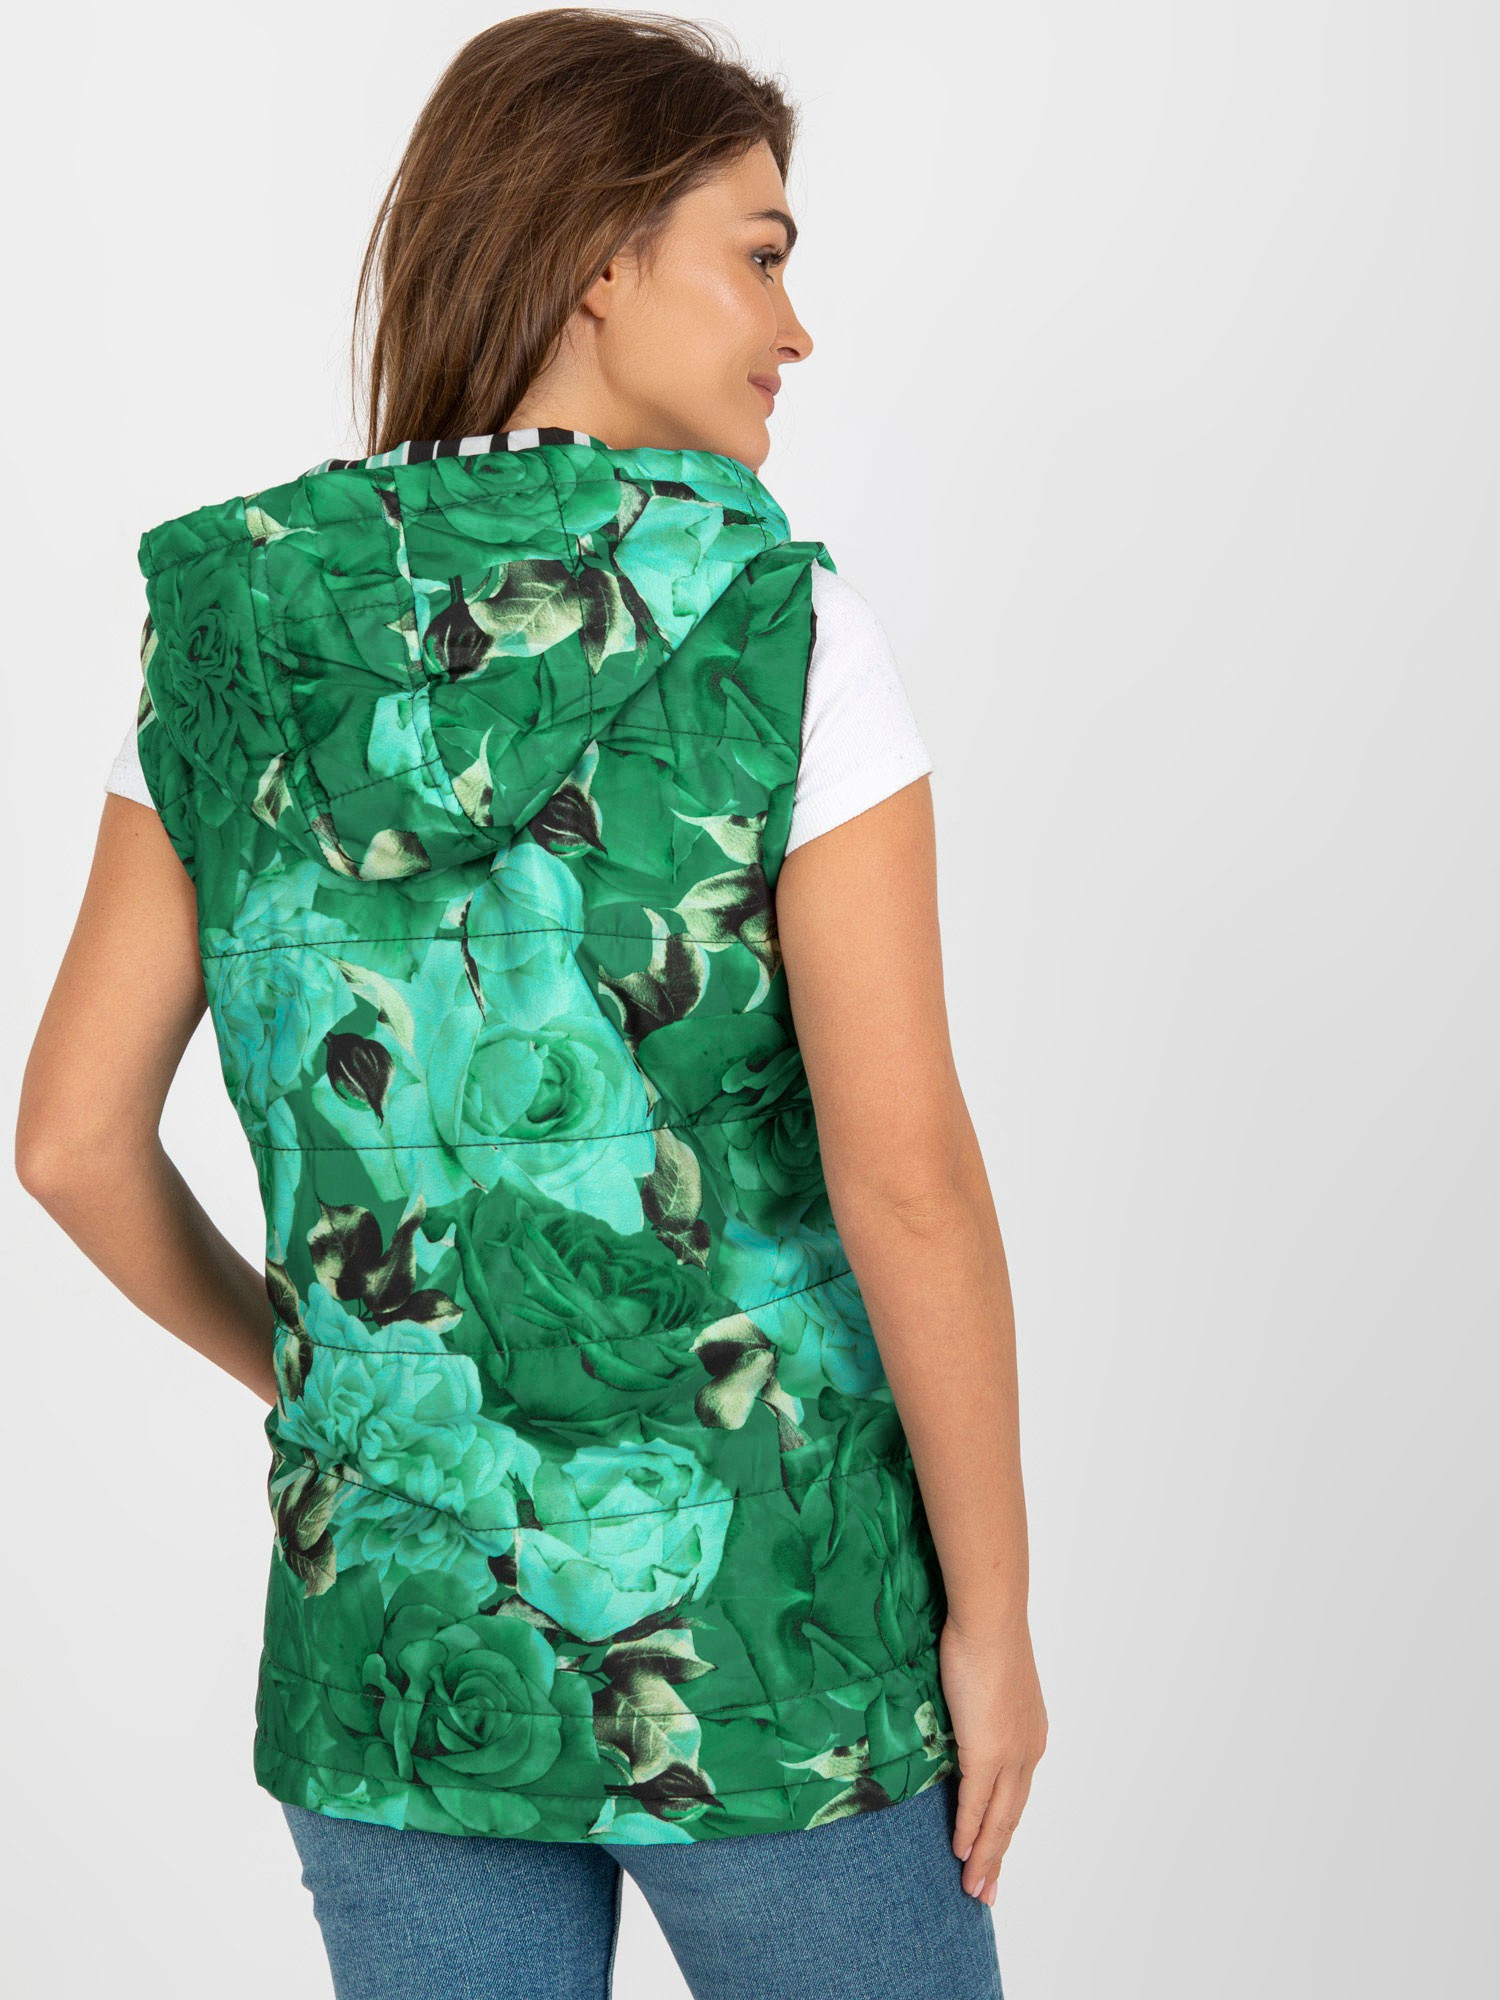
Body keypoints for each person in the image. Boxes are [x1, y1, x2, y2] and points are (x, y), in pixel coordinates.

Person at [16, 10, 1046, 1997]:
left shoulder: (229, 638)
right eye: (761, 254)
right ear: (599, 257)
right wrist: (992, 1618)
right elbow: (905, 1176)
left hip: (396, 1647)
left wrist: (328, 1384)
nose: (797, 327)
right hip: (776, 1645)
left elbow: (68, 1140)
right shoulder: (781, 626)